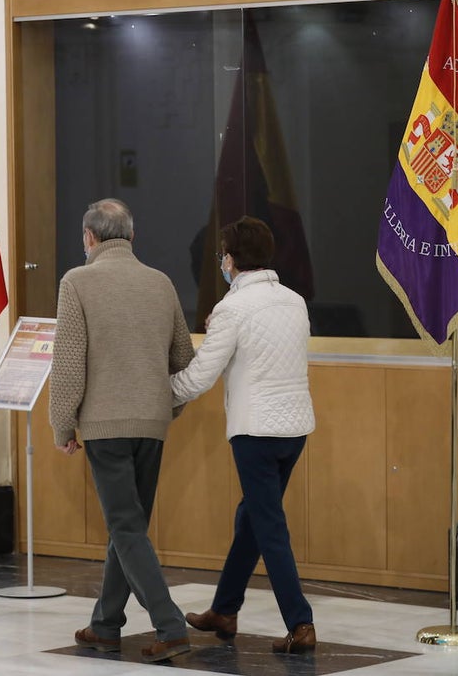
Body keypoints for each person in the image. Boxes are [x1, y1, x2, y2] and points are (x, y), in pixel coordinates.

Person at [49, 198, 195, 663]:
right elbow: (184, 363)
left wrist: (62, 424)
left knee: (126, 528)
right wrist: (165, 409)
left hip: (105, 425)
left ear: (89, 238)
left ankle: (170, 626)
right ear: (131, 237)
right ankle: (105, 625)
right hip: (151, 424)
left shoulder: (77, 281)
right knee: (127, 527)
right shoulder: (161, 283)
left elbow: (69, 363)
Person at [169, 216, 317, 654]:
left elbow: (199, 378)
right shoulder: (294, 301)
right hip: (295, 429)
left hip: (256, 432)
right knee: (251, 519)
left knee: (268, 527)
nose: (220, 262)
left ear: (231, 259)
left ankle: (301, 623)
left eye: (222, 255)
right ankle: (225, 610)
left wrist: (159, 392)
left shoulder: (232, 310)